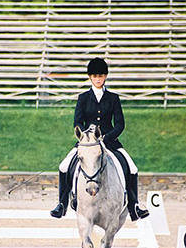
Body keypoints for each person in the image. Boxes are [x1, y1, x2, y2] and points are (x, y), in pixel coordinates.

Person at [50, 57, 149, 221]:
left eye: (101, 76)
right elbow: (77, 121)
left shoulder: (113, 98)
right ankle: (61, 203)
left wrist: (107, 137)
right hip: (87, 143)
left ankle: (134, 205)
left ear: (105, 77)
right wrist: (85, 136)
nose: (98, 79)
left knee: (132, 168)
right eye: (95, 76)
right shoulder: (83, 98)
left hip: (110, 142)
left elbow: (120, 124)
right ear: (90, 77)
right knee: (64, 165)